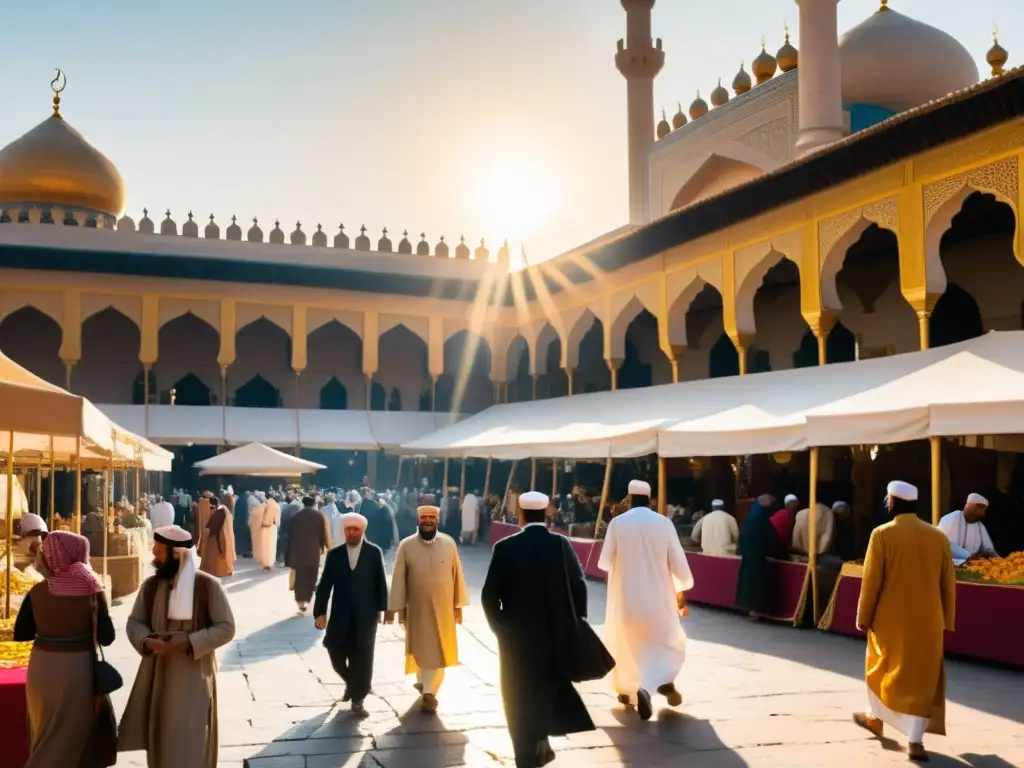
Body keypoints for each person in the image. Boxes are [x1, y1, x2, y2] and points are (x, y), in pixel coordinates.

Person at [482, 491, 595, 767]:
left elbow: (489, 597)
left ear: (520, 514)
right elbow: (580, 586)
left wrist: (502, 631)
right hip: (554, 637)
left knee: (517, 695)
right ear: (546, 514)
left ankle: (525, 751)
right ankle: (541, 737)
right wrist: (575, 621)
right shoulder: (561, 544)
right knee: (548, 690)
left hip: (516, 642)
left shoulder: (505, 547)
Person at [853, 480, 956, 762]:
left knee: (882, 667)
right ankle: (914, 740)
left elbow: (871, 581)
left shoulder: (882, 534)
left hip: (890, 618)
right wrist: (947, 618)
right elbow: (948, 583)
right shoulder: (938, 537)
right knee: (921, 678)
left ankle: (876, 716)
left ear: (892, 502)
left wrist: (864, 616)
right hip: (929, 619)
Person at [119, 525, 236, 768]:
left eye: (159, 552)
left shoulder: (207, 586)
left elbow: (226, 628)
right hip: (157, 672)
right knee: (160, 738)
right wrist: (146, 641)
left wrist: (189, 641)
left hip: (193, 675)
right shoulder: (151, 586)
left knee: (190, 738)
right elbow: (135, 622)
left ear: (176, 554)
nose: (154, 557)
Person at [14, 531, 116, 768]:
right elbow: (107, 637)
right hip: (77, 669)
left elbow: (22, 633)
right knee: (74, 736)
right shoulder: (92, 591)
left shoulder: (37, 592)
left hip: (42, 669)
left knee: (45, 732)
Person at [597, 479, 693, 720]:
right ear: (650, 500)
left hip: (627, 601)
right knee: (666, 643)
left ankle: (633, 689)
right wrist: (682, 587)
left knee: (628, 646)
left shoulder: (618, 524)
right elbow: (679, 565)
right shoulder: (664, 523)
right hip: (659, 601)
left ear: (628, 499)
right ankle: (656, 684)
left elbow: (604, 562)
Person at [386, 504, 470, 714]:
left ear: (437, 521)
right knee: (421, 651)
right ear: (418, 520)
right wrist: (393, 607)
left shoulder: (449, 543)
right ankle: (424, 685)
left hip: (444, 611)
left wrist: (458, 605)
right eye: (424, 518)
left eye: (431, 518)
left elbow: (457, 575)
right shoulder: (406, 546)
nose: (428, 521)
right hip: (416, 610)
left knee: (439, 651)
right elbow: (398, 578)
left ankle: (429, 693)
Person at [313, 509, 388, 715]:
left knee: (362, 656)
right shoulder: (335, 555)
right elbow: (324, 585)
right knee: (334, 650)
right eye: (348, 529)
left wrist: (383, 608)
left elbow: (381, 582)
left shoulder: (374, 553)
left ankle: (358, 699)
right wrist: (320, 612)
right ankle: (353, 683)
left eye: (355, 529)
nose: (351, 533)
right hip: (340, 615)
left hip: (366, 616)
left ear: (362, 530)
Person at [735, 494, 780, 621]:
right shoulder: (760, 521)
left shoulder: (750, 519)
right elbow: (771, 539)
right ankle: (756, 611)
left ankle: (752, 610)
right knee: (757, 584)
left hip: (749, 556)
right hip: (758, 558)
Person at [284, 496, 328, 613]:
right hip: (313, 551)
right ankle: (308, 599)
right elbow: (323, 533)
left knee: (300, 576)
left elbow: (289, 533)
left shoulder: (296, 517)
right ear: (314, 504)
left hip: (298, 551)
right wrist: (324, 546)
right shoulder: (319, 516)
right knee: (311, 575)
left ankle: (300, 601)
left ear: (303, 504)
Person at [938, 493, 997, 564]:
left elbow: (989, 549)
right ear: (976, 507)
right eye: (983, 510)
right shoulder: (951, 519)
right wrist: (968, 556)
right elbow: (946, 545)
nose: (983, 514)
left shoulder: (979, 525)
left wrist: (998, 560)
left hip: (973, 564)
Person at [198, 502, 235, 577]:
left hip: (215, 538)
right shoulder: (225, 512)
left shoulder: (219, 512)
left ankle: (215, 571)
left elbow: (214, 528)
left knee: (213, 558)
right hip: (222, 538)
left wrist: (207, 532)